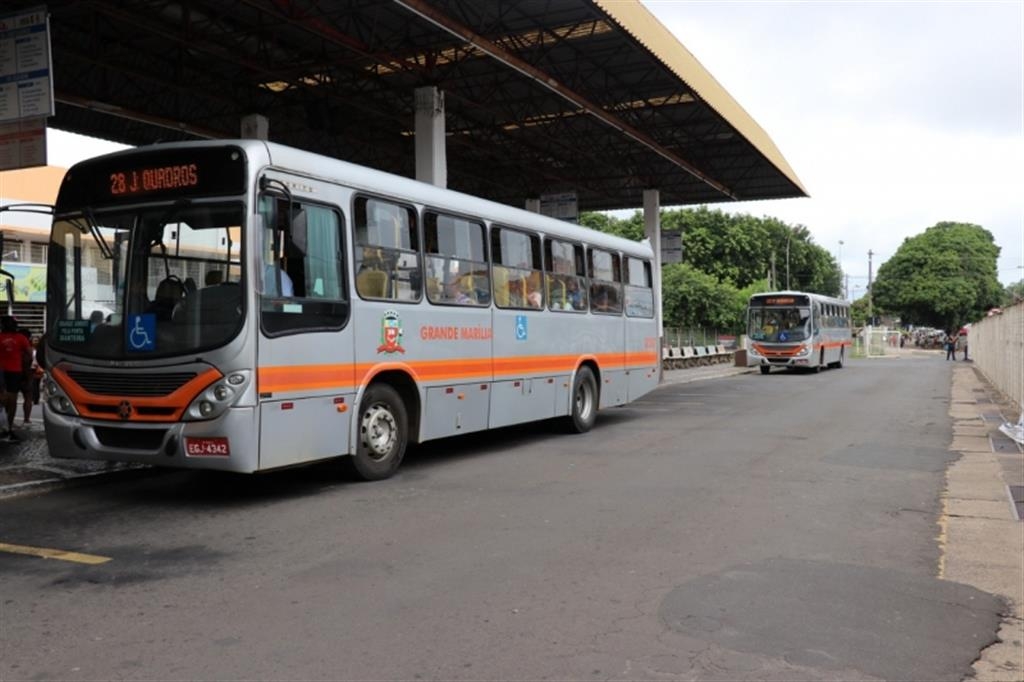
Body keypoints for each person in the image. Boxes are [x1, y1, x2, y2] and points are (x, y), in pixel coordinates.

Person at [0, 316, 32, 441]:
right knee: (12, 401)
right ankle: (8, 428)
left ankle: (5, 428)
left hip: (2, 372)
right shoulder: (21, 338)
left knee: (3, 400)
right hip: (14, 372)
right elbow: (30, 354)